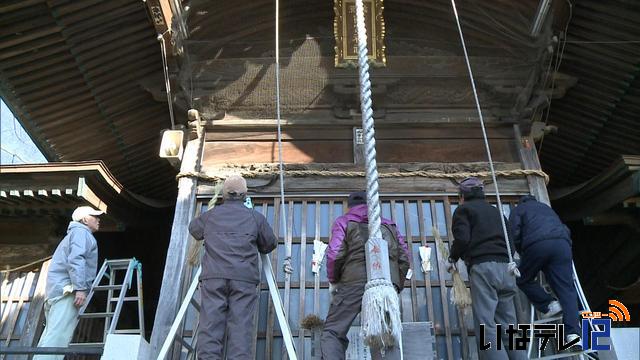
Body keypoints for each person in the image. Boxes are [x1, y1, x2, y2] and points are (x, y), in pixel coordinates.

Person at [189, 175, 277, 360]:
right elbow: (269, 243)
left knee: (210, 327)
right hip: (243, 280)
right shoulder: (255, 217)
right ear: (245, 195)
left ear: (223, 195)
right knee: (240, 330)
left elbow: (194, 229)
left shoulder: (211, 215)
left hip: (214, 278)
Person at [321, 191, 411, 360]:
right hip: (384, 284)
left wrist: (334, 280)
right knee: (384, 333)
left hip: (353, 282)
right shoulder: (389, 225)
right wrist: (395, 285)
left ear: (349, 206)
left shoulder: (344, 221)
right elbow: (404, 257)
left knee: (333, 331)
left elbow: (335, 254)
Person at [448, 177, 525, 360]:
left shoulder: (463, 210)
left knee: (486, 324)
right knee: (509, 324)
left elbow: (463, 239)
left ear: (462, 196)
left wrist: (452, 257)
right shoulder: (497, 212)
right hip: (506, 269)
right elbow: (511, 243)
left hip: (483, 268)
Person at [509, 195, 581, 349]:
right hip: (562, 245)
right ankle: (573, 334)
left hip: (537, 245)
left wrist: (521, 253)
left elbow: (514, 233)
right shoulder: (547, 209)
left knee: (522, 278)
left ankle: (549, 304)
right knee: (566, 289)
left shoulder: (519, 210)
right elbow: (565, 228)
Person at [34, 206, 103, 360]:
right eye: (95, 216)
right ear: (85, 219)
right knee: (58, 338)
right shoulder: (81, 233)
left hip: (58, 290)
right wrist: (80, 288)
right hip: (67, 291)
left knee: (51, 335)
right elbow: (76, 259)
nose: (99, 219)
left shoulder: (74, 234)